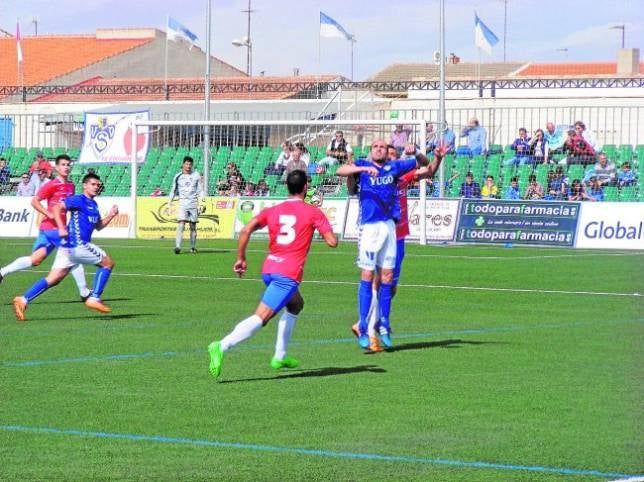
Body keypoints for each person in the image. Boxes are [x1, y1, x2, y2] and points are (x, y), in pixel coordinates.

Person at [207, 170, 337, 378]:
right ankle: (221, 346)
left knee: (296, 304)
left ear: (287, 187)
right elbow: (332, 242)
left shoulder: (273, 210)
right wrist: (320, 227)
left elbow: (245, 230)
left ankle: (280, 355)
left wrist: (241, 258)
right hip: (288, 274)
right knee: (262, 318)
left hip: (269, 269)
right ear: (305, 188)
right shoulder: (313, 212)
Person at [350, 143, 446, 352]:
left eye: (393, 154)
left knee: (390, 286)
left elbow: (429, 170)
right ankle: (369, 329)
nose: (391, 158)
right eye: (389, 154)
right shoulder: (376, 175)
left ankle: (372, 323)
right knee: (373, 280)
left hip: (397, 235)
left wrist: (437, 157)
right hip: (376, 229)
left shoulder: (403, 176)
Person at [12, 173, 119, 321]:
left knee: (53, 279)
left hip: (68, 248)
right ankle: (94, 298)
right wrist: (61, 227)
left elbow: (99, 226)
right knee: (107, 263)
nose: (96, 187)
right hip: (78, 244)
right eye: (93, 184)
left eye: (98, 185)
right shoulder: (78, 199)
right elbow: (57, 208)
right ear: (85, 185)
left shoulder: (93, 204)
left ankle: (23, 299)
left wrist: (112, 215)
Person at [0, 154, 90, 301]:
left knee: (36, 259)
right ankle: (84, 292)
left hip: (52, 229)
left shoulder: (71, 186)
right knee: (73, 253)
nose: (66, 167)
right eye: (63, 164)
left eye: (68, 165)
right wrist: (49, 213)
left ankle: (2, 272)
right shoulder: (51, 184)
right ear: (57, 167)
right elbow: (35, 201)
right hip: (52, 229)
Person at [168, 156, 203, 255]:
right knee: (181, 224)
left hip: (193, 203)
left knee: (193, 226)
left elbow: (200, 190)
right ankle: (178, 247)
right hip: (182, 203)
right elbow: (173, 190)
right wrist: (169, 202)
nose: (188, 166)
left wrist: (202, 203)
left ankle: (192, 247)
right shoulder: (178, 176)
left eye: (190, 164)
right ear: (183, 164)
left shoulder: (196, 175)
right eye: (187, 164)